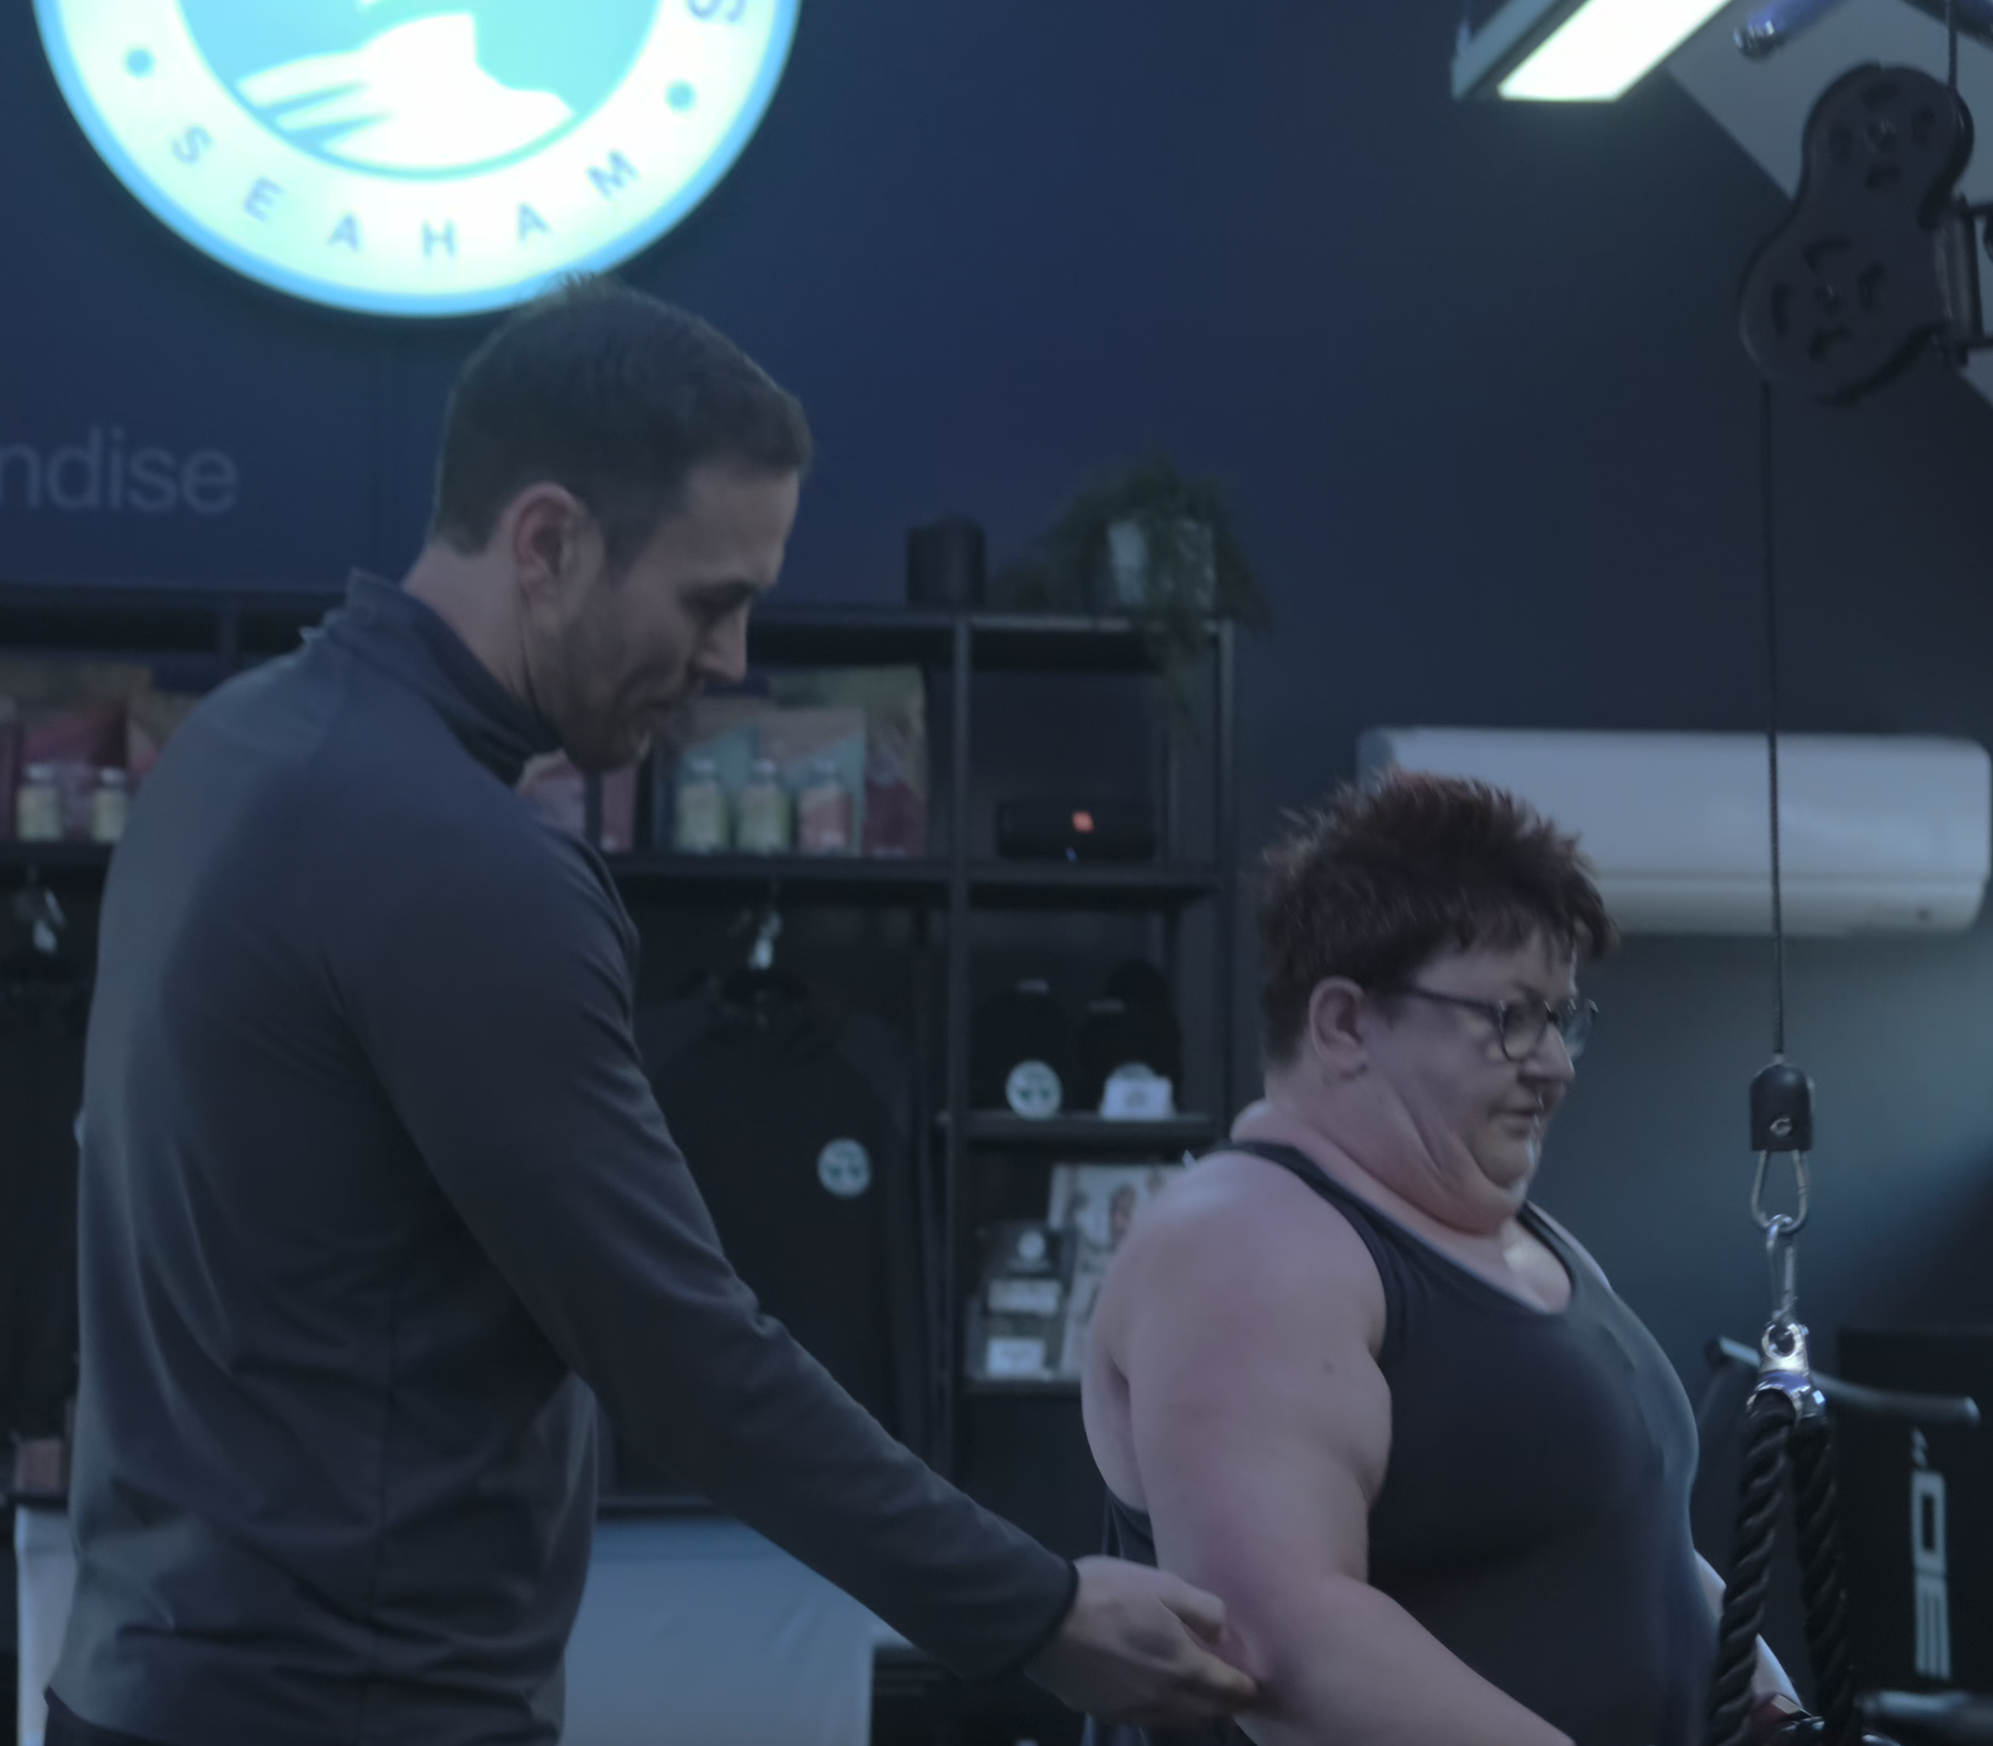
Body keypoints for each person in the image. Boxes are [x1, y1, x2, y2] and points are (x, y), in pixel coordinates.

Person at [44, 281, 1255, 1746]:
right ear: (548, 540)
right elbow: (683, 1352)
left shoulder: (239, 749)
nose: (733, 660)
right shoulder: (455, 859)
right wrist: (1037, 1609)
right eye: (711, 600)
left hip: (141, 1683)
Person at [1079, 773, 1811, 1746]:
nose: (1552, 1062)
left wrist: (1772, 1709)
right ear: (1343, 1024)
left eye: (1560, 1018)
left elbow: (1633, 1548)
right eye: (1509, 1018)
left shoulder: (1519, 1239)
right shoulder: (1242, 1244)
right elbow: (1283, 1647)